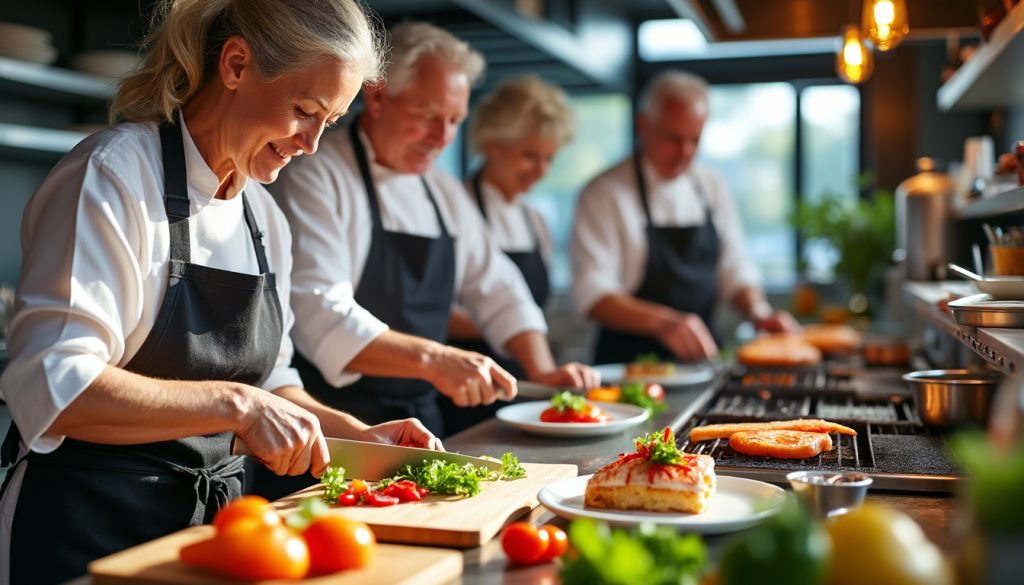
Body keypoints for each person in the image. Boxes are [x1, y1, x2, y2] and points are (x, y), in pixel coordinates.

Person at [0, 2, 440, 583]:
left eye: (328, 123)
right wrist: (237, 406)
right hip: (84, 530)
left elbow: (273, 382)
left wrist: (353, 435)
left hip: (220, 537)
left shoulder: (264, 217)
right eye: (304, 111)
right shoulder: (112, 178)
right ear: (235, 65)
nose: (310, 144)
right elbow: (55, 383)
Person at [272, 22, 598, 445]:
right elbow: (321, 311)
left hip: (421, 424)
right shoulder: (317, 175)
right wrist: (433, 358)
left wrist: (542, 371)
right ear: (378, 95)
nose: (441, 138)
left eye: (454, 121)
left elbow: (498, 285)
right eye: (427, 117)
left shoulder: (441, 189)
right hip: (334, 427)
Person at [571, 70, 799, 365]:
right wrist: (665, 322)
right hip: (627, 367)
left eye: (694, 139)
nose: (685, 152)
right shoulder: (604, 193)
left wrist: (759, 313)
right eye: (673, 138)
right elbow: (593, 294)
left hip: (702, 362)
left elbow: (734, 266)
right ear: (644, 125)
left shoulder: (711, 185)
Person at [442, 76, 574, 433]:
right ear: (493, 144)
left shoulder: (535, 220)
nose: (541, 170)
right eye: (530, 155)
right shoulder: (454, 205)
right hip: (466, 386)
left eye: (549, 158)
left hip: (527, 380)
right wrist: (501, 326)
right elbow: (432, 310)